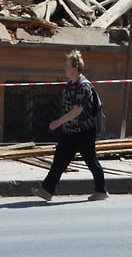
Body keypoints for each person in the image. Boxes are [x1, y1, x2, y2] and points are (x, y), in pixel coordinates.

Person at [32, 49, 108, 201]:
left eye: (67, 66)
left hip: (84, 131)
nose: (65, 68)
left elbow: (77, 110)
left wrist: (58, 122)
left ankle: (101, 191)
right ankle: (47, 190)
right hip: (69, 132)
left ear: (75, 67)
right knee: (59, 160)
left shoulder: (84, 87)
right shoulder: (69, 85)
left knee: (91, 161)